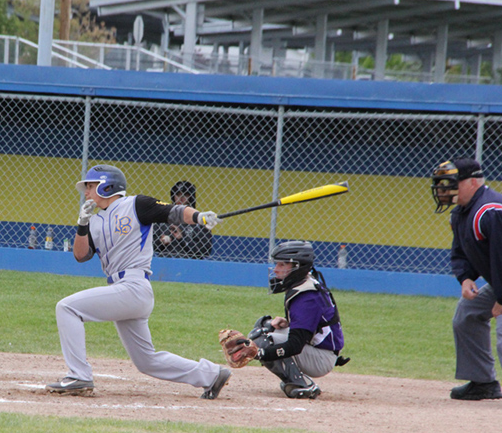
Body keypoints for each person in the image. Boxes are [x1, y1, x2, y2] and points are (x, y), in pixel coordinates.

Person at [46, 164, 232, 399]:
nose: (86, 192)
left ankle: (79, 376)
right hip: (121, 290)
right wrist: (82, 223)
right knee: (147, 361)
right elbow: (81, 255)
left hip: (134, 285)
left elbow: (174, 211)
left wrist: (198, 216)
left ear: (107, 186)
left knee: (67, 307)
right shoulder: (94, 221)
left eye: (91, 186)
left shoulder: (135, 205)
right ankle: (211, 375)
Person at [431, 158, 502, 401]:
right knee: (467, 314)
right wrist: (465, 278)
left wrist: (501, 298)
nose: (444, 189)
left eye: (451, 183)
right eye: (441, 184)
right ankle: (483, 382)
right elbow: (460, 252)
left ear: (473, 182)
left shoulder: (491, 211)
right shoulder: (461, 214)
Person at [248, 241, 346, 399]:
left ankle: (303, 384)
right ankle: (296, 379)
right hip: (317, 347)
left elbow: (295, 346)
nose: (276, 269)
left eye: (282, 264)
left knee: (264, 340)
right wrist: (289, 324)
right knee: (265, 326)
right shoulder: (306, 283)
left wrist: (259, 353)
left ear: (296, 267)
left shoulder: (307, 298)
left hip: (322, 357)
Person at [154, 181, 213, 259]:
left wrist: (182, 239)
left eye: (185, 195)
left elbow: (205, 251)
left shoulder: (199, 220)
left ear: (191, 197)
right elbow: (151, 245)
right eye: (177, 194)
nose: (181, 198)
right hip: (165, 261)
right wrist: (161, 242)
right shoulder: (163, 218)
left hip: (189, 263)